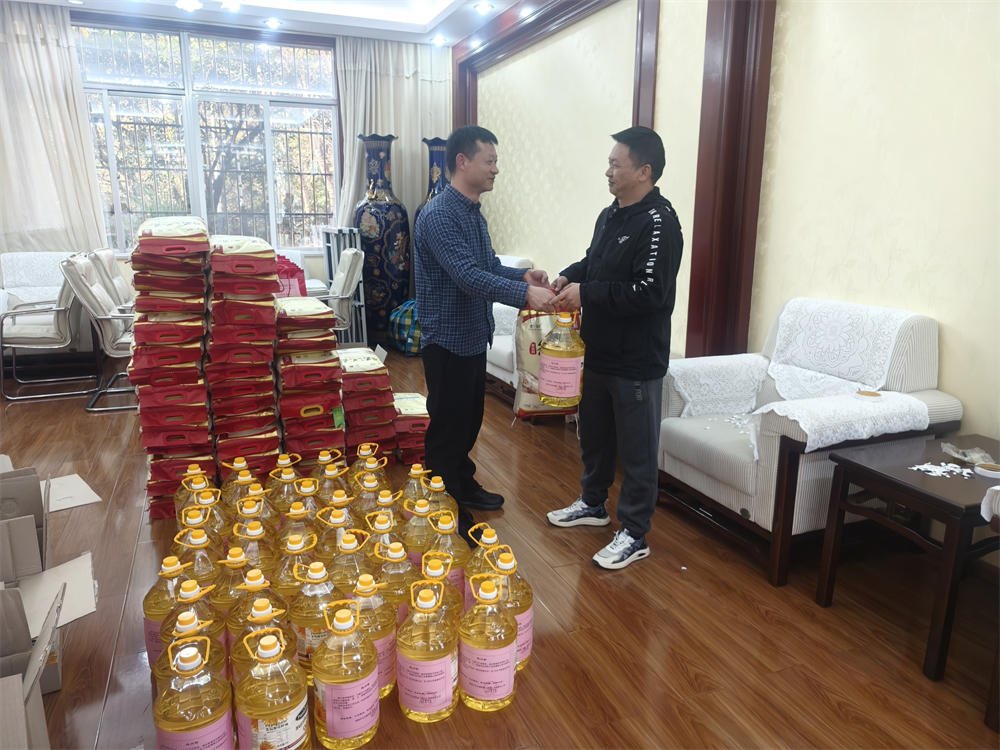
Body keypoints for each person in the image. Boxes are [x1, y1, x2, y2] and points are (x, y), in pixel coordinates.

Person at [546, 126, 683, 570]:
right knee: (596, 436)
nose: (608, 171)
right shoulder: (611, 214)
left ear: (644, 171)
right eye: (608, 163)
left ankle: (635, 532)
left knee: (637, 451)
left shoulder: (660, 222)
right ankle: (593, 503)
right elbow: (595, 262)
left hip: (636, 359)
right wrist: (570, 276)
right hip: (599, 349)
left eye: (615, 164)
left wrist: (587, 294)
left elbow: (650, 292)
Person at [414, 125, 555, 546]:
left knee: (469, 419)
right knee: (448, 427)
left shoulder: (472, 211)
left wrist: (521, 276)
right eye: (489, 161)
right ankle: (443, 508)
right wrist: (525, 295)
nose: (496, 169)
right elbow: (466, 276)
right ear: (462, 162)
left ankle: (462, 482)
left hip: (473, 335)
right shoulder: (439, 215)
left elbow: (487, 265)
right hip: (447, 339)